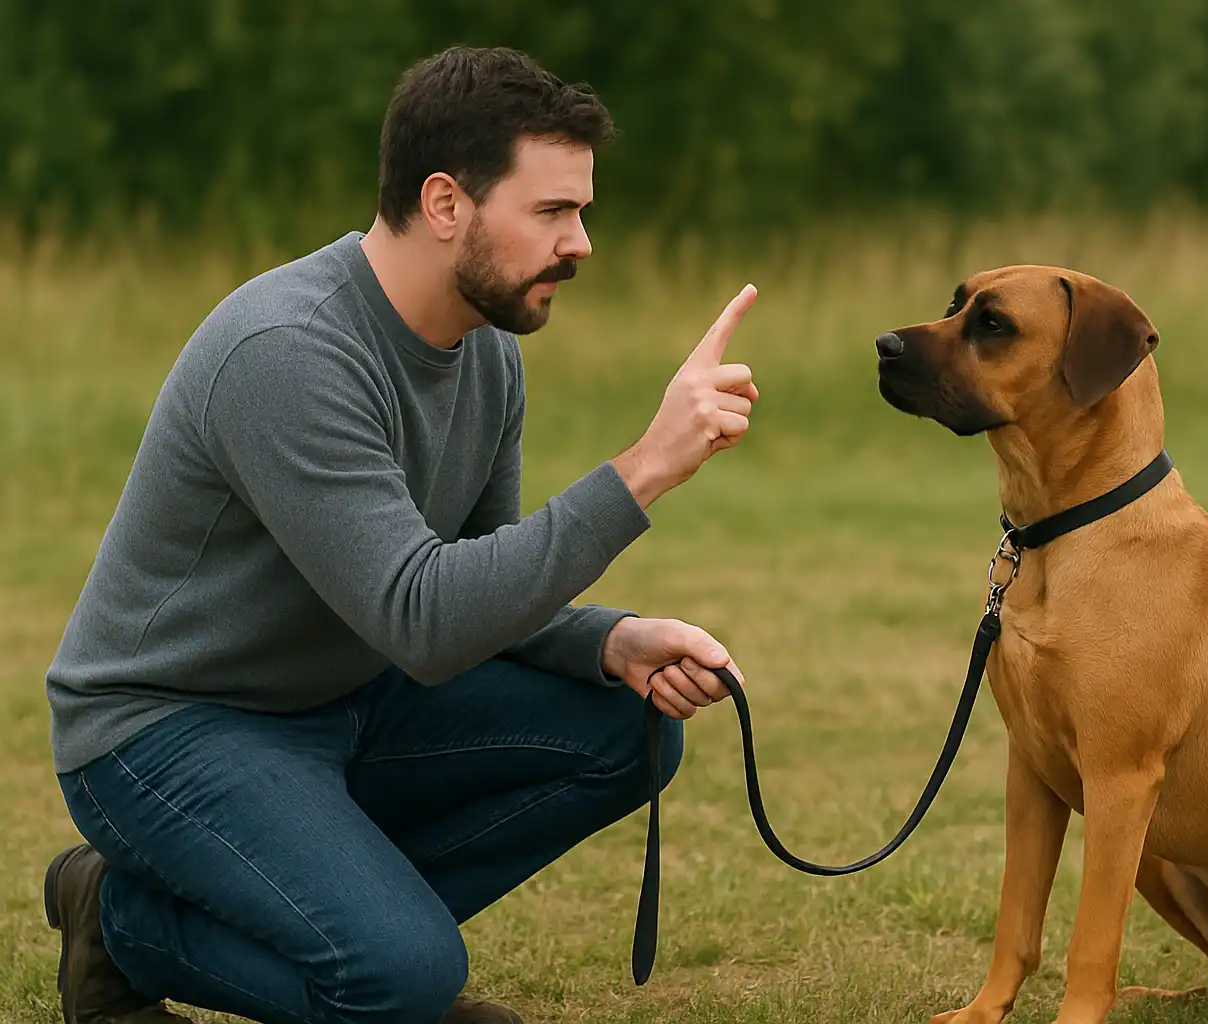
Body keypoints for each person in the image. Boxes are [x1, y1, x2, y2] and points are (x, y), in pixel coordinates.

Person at [42, 45, 759, 1024]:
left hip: (346, 698)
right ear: (445, 204)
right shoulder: (288, 351)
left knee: (624, 733)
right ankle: (124, 917)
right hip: (169, 731)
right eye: (553, 211)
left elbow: (475, 588)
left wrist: (607, 640)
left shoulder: (487, 354)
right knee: (404, 975)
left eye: (581, 211)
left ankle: (360, 950)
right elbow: (424, 619)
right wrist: (643, 469)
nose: (582, 241)